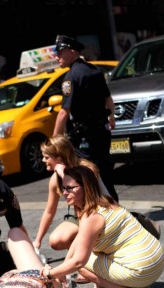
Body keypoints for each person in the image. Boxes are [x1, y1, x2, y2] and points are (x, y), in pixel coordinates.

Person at [40, 165, 164, 288]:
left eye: (69, 188)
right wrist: (62, 269)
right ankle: (140, 287)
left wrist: (51, 274)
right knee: (82, 256)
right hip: (157, 261)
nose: (64, 193)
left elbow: (78, 261)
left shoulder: (91, 217)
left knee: (82, 265)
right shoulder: (106, 200)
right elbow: (80, 238)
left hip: (141, 270)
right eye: (63, 188)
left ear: (85, 187)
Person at [52, 34, 119, 203]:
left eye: (60, 52)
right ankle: (115, 208)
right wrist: (111, 117)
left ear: (72, 52)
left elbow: (64, 112)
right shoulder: (96, 71)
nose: (57, 56)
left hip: (84, 139)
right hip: (102, 134)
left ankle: (98, 213)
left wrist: (54, 140)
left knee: (86, 177)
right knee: (104, 172)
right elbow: (108, 99)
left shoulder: (71, 77)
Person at [33, 135, 109, 253]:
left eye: (46, 157)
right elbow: (49, 211)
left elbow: (93, 201)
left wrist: (64, 174)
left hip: (100, 213)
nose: (43, 160)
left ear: (59, 158)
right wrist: (37, 241)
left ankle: (85, 254)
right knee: (56, 240)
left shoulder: (87, 169)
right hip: (81, 215)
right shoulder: (55, 179)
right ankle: (82, 252)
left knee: (83, 247)